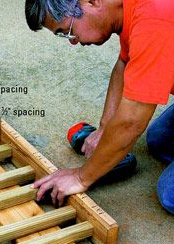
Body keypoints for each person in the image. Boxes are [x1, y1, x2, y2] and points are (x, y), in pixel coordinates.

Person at [25, 0, 174, 214]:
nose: (73, 42)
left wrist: (81, 177)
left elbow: (132, 121)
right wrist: (105, 129)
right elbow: (125, 63)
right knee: (159, 141)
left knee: (170, 194)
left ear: (92, 1)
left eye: (67, 31)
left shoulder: (156, 17)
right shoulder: (133, 9)